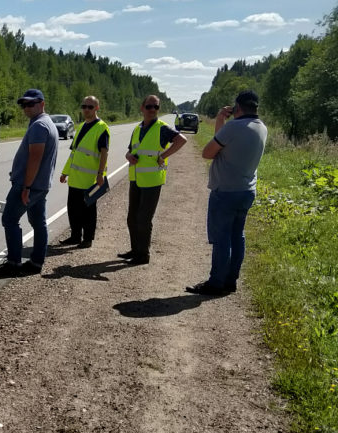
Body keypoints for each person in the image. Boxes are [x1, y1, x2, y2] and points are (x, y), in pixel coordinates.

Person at [186, 90, 267, 296]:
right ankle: (231, 281)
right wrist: (222, 120)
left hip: (225, 191)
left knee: (222, 239)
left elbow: (208, 153)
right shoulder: (262, 128)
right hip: (247, 190)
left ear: (237, 108)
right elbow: (221, 147)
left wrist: (222, 119)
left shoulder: (232, 127)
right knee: (237, 237)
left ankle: (216, 282)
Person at [0, 88, 58, 276]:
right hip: (40, 185)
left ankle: (13, 262)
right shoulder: (44, 123)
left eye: (31, 103)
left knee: (9, 219)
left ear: (42, 103)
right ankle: (36, 262)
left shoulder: (39, 126)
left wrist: (26, 186)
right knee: (39, 223)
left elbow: (35, 158)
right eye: (24, 104)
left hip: (30, 186)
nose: (27, 107)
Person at [119, 94, 187, 265]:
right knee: (132, 218)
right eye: (149, 106)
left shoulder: (162, 128)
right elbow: (130, 150)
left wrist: (164, 155)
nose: (152, 110)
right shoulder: (137, 129)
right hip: (136, 178)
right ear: (142, 108)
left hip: (152, 180)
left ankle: (143, 255)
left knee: (143, 218)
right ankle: (135, 250)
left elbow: (181, 140)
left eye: (155, 107)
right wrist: (129, 156)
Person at [58, 95, 110, 248]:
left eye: (90, 107)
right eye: (84, 106)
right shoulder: (80, 127)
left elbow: (104, 153)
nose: (86, 109)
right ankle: (75, 236)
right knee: (73, 210)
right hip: (75, 178)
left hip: (90, 180)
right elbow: (74, 153)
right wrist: (65, 172)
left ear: (96, 108)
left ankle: (87, 239)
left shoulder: (102, 127)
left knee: (88, 211)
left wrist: (100, 174)